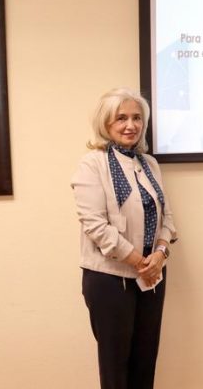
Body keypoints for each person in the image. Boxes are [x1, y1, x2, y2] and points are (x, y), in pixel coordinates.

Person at [71, 88, 177, 388]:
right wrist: (138, 261)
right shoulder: (92, 164)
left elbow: (167, 219)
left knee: (145, 362)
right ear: (105, 122)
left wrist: (160, 254)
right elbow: (95, 225)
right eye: (121, 118)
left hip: (152, 276)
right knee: (115, 368)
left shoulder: (149, 164)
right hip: (109, 280)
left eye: (137, 118)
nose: (131, 125)